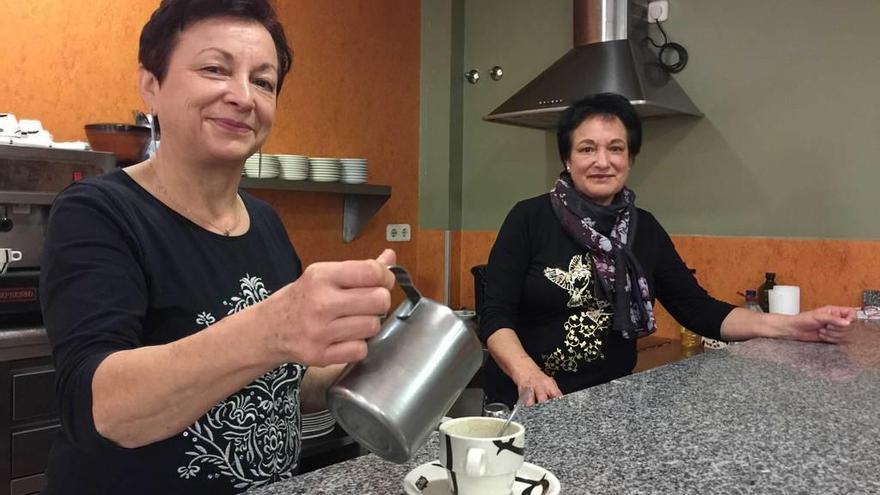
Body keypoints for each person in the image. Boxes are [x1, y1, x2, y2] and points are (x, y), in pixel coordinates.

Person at [39, 1, 395, 493]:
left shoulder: (266, 222)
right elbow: (101, 408)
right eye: (214, 69)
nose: (243, 97)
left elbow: (287, 386)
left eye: (264, 81)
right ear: (151, 85)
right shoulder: (98, 211)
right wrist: (276, 325)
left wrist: (359, 359)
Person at [480, 93, 855, 408]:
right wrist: (528, 374)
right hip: (526, 404)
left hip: (607, 403)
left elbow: (699, 310)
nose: (602, 161)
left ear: (629, 159)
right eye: (587, 148)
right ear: (567, 159)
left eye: (615, 148)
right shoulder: (529, 218)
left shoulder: (645, 229)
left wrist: (794, 326)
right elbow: (495, 315)